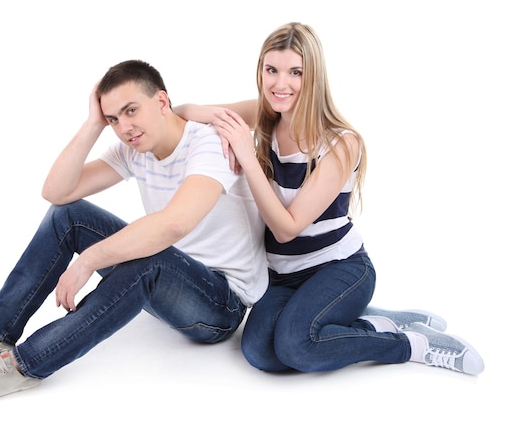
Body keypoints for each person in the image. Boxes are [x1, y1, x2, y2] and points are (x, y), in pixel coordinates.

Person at [0, 59, 270, 400]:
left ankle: (23, 365)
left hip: (220, 304)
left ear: (162, 101)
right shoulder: (135, 149)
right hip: (169, 281)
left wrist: (87, 262)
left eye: (131, 110)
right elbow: (57, 192)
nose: (124, 126)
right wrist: (92, 125)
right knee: (68, 214)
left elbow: (175, 223)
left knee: (150, 259)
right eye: (114, 118)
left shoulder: (207, 142)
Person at [174, 22, 484, 375]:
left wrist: (246, 153)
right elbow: (185, 111)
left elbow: (287, 228)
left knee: (297, 346)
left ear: (314, 76)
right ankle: (365, 321)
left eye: (295, 72)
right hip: (282, 276)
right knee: (260, 352)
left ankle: (412, 345)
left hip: (340, 268)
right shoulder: (264, 114)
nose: (280, 84)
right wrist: (221, 128)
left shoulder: (340, 143)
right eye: (270, 70)